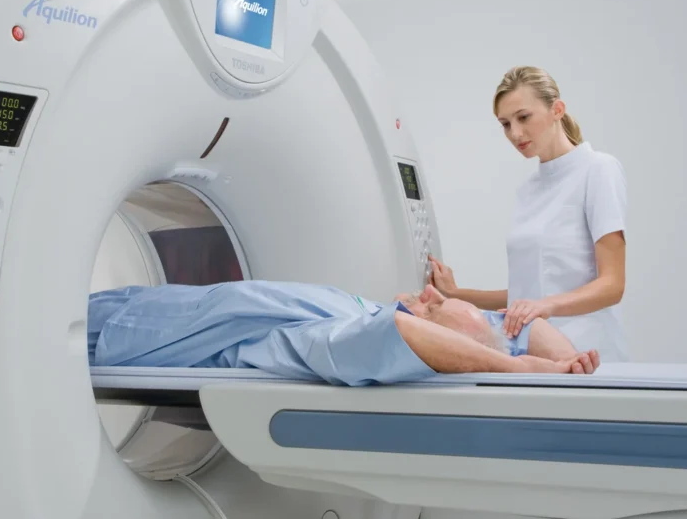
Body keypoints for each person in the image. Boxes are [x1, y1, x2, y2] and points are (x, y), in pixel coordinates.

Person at [428, 65, 629, 361]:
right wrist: (455, 295)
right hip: (535, 356)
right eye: (505, 124)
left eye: (523, 117)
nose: (515, 133)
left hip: (590, 355)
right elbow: (527, 297)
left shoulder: (598, 170)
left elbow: (612, 285)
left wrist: (545, 306)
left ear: (557, 110)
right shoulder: (528, 190)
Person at [88, 279, 600, 387]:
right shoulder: (366, 309)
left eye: (437, 306)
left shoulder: (356, 336)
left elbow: (401, 332)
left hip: (131, 333)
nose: (429, 292)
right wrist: (526, 344)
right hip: (141, 299)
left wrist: (516, 366)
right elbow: (530, 330)